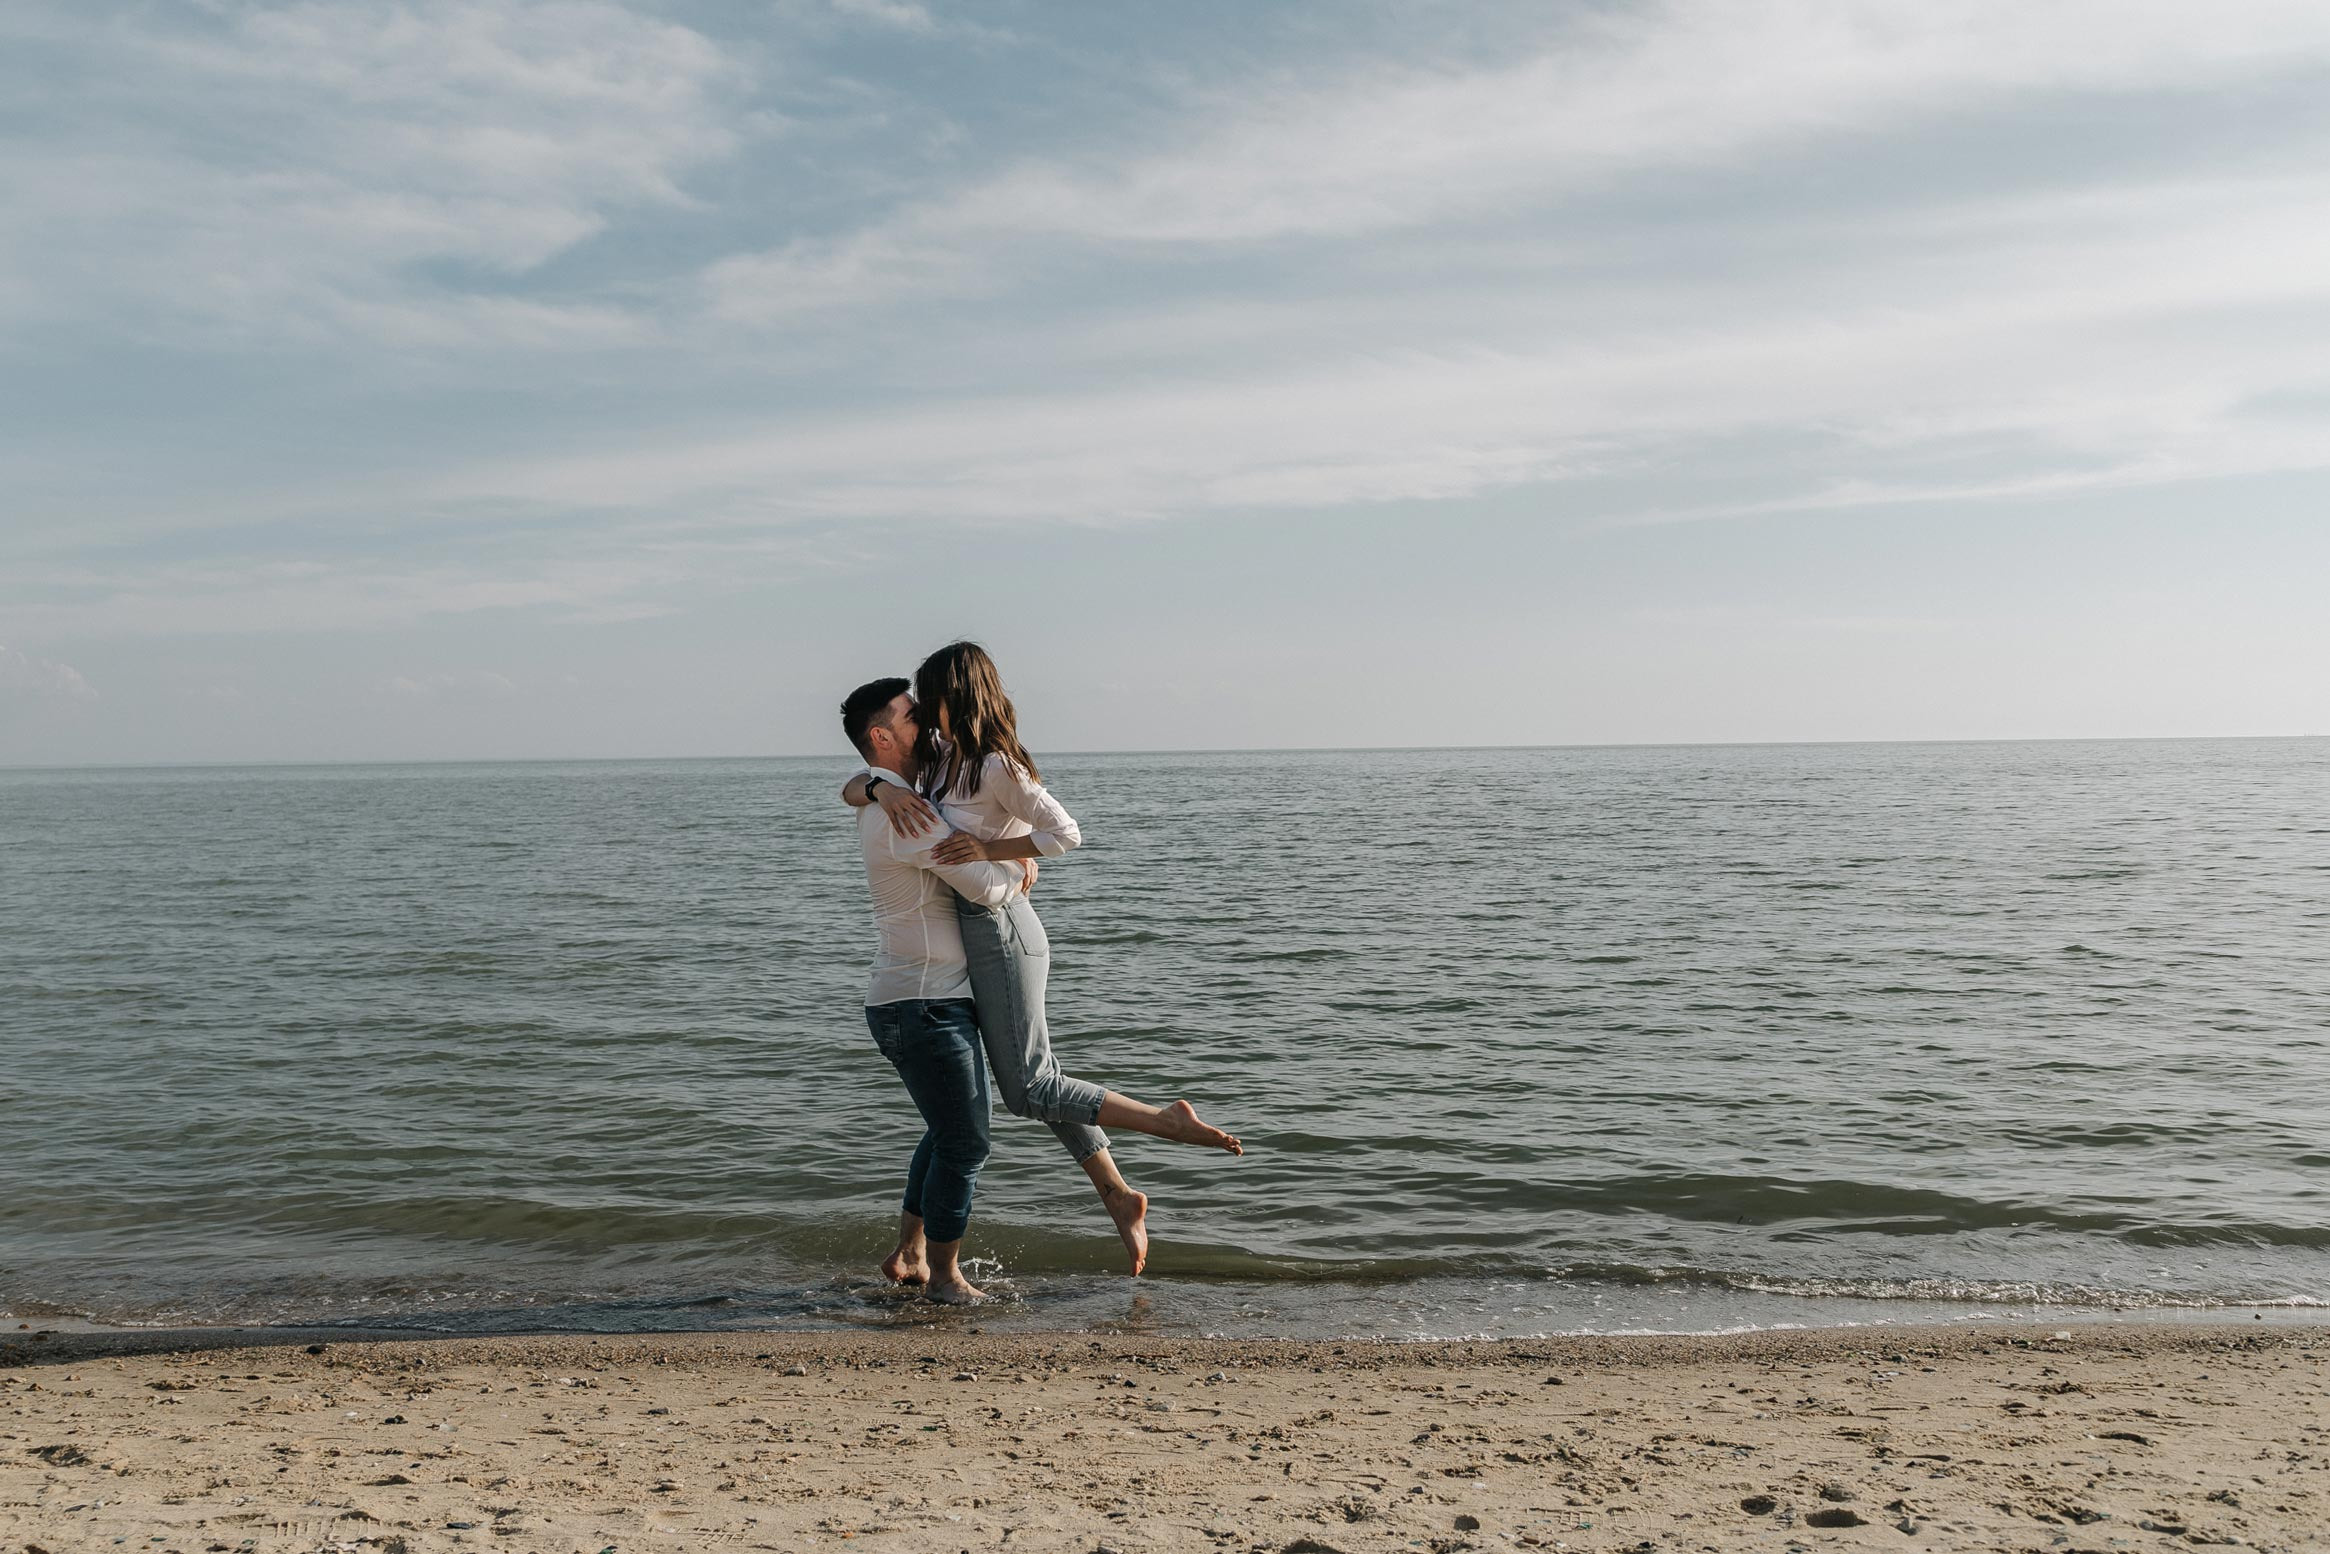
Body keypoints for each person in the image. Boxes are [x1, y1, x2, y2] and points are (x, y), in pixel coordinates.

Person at [844, 641, 1241, 1279]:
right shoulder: (939, 765)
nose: (921, 717)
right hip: (980, 933)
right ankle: (1110, 1196)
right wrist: (876, 788)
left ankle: (1162, 1126)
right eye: (910, 712)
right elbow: (858, 784)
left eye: (926, 703)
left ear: (954, 699)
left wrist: (1008, 850)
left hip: (1001, 930)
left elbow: (1059, 836)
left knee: (1029, 1087)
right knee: (1014, 1091)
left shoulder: (987, 763)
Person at [840, 676, 1036, 1304]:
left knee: (943, 1129)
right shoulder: (909, 812)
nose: (924, 722)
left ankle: (909, 1254)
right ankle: (946, 1279)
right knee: (965, 1139)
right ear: (882, 736)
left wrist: (869, 783)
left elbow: (855, 786)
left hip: (922, 998)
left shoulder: (897, 795)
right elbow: (984, 886)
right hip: (921, 1003)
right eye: (910, 715)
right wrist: (1019, 862)